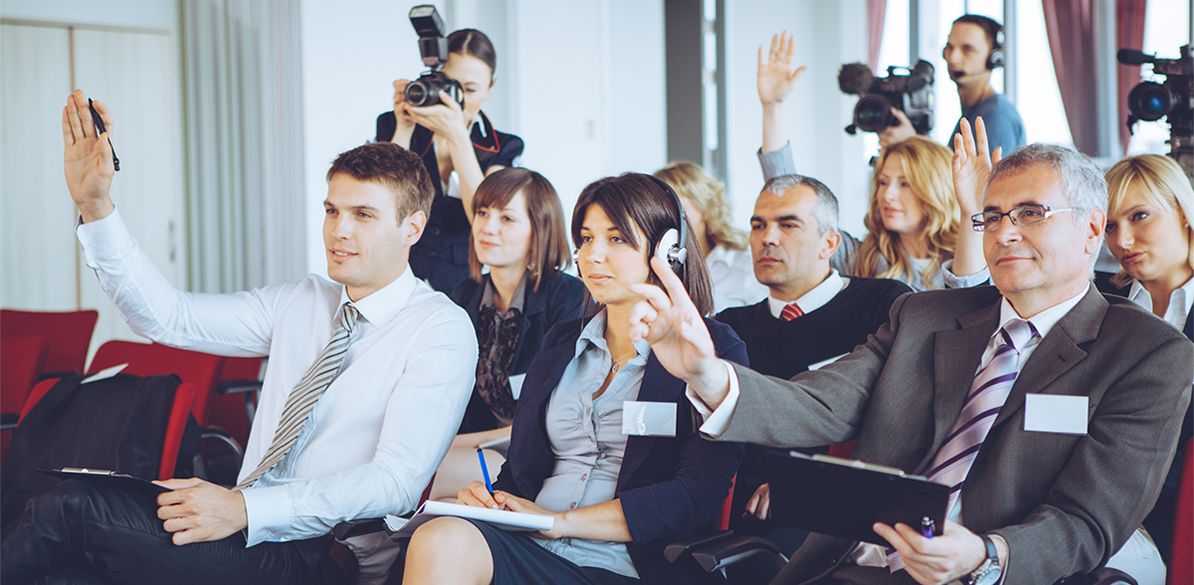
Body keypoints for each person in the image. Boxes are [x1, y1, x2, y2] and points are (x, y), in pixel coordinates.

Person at [629, 143, 1191, 584]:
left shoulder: (1147, 353)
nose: (1005, 231)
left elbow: (1087, 521)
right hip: (849, 564)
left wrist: (985, 555)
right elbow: (819, 400)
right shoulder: (924, 317)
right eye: (991, 216)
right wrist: (705, 372)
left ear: (1093, 228)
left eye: (1031, 212)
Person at [2, 90, 478, 585]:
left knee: (69, 509)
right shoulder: (304, 301)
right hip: (245, 527)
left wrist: (245, 508)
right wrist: (94, 204)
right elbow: (169, 318)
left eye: (363, 215)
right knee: (62, 532)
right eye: (332, 211)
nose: (339, 231)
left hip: (327, 556)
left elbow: (395, 483)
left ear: (413, 228)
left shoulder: (439, 330)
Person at [400, 173, 749, 585]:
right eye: (585, 238)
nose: (593, 254)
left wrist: (560, 522)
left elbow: (695, 495)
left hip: (623, 565)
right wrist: (491, 499)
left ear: (667, 251)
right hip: (532, 545)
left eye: (616, 239)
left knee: (445, 545)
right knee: (440, 533)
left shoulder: (711, 349)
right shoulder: (563, 342)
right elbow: (520, 472)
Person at [715, 172, 912, 553]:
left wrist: (803, 481)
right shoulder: (730, 327)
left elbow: (898, 421)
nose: (767, 238)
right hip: (733, 517)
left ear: (829, 243)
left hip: (841, 511)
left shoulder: (884, 305)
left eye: (788, 224)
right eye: (758, 225)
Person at [756, 32, 989, 292]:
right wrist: (772, 108)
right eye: (882, 182)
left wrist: (972, 212)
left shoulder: (966, 256)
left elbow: (970, 303)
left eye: (905, 184)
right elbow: (785, 195)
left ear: (934, 188)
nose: (886, 195)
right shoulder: (860, 257)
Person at [432, 168, 585, 500]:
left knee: (421, 471)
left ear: (539, 229)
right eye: (483, 213)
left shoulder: (568, 298)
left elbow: (562, 416)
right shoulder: (466, 294)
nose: (488, 227)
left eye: (507, 219)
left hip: (541, 457)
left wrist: (452, 444)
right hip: (477, 448)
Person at [376, 28, 524, 294]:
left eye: (470, 89)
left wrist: (457, 137)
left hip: (465, 284)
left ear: (489, 88)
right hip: (398, 274)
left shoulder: (502, 146)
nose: (457, 98)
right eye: (450, 86)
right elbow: (380, 201)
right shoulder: (394, 124)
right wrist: (404, 129)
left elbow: (485, 214)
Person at [1100, 154, 1194, 562]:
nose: (1122, 241)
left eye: (1140, 216)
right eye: (1110, 226)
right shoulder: (1100, 305)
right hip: (1091, 502)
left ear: (1183, 210)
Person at [881, 14, 1026, 154]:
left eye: (967, 49)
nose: (953, 58)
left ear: (994, 58)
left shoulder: (996, 117)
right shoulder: (974, 111)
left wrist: (913, 143)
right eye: (949, 47)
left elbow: (972, 178)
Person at [654, 161, 767, 312]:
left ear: (705, 209)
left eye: (675, 208)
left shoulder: (744, 266)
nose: (666, 217)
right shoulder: (655, 264)